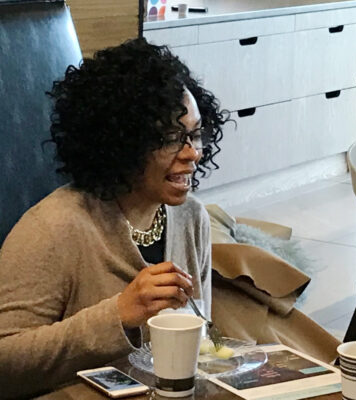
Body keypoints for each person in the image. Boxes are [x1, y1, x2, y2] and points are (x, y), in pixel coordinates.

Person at [0, 38, 228, 398]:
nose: (193, 154)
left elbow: (198, 342)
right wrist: (119, 314)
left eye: (195, 135)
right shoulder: (54, 227)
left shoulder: (190, 217)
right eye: (171, 138)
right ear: (122, 141)